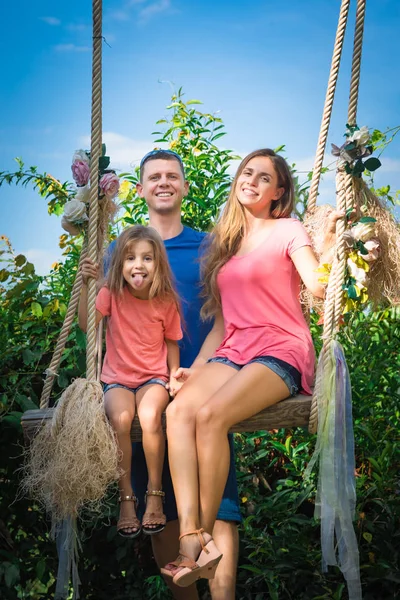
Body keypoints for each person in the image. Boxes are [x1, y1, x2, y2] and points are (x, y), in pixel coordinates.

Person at [161, 148, 342, 587]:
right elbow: (223, 323)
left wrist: (334, 245)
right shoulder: (226, 243)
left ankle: (201, 542)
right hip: (235, 349)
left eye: (264, 178)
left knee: (210, 416)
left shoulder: (288, 230)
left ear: (278, 192)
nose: (252, 181)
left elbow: (318, 287)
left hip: (279, 346)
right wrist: (196, 369)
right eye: (247, 172)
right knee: (178, 411)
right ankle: (191, 537)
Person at [105, 149, 241, 600]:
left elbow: (231, 314)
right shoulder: (119, 249)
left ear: (184, 187)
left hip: (200, 392)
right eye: (153, 177)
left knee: (217, 507)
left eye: (172, 176)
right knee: (160, 513)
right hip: (142, 391)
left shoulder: (209, 247)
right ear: (140, 189)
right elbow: (100, 312)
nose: (164, 182)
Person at [78, 225, 183, 538]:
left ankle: (154, 493)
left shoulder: (165, 301)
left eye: (147, 258)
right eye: (130, 258)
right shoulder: (112, 295)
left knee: (150, 416)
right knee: (120, 418)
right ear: (120, 266)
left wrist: (174, 376)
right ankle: (126, 498)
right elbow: (87, 325)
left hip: (153, 378)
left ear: (158, 264)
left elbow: (172, 342)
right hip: (118, 380)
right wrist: (88, 285)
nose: (138, 265)